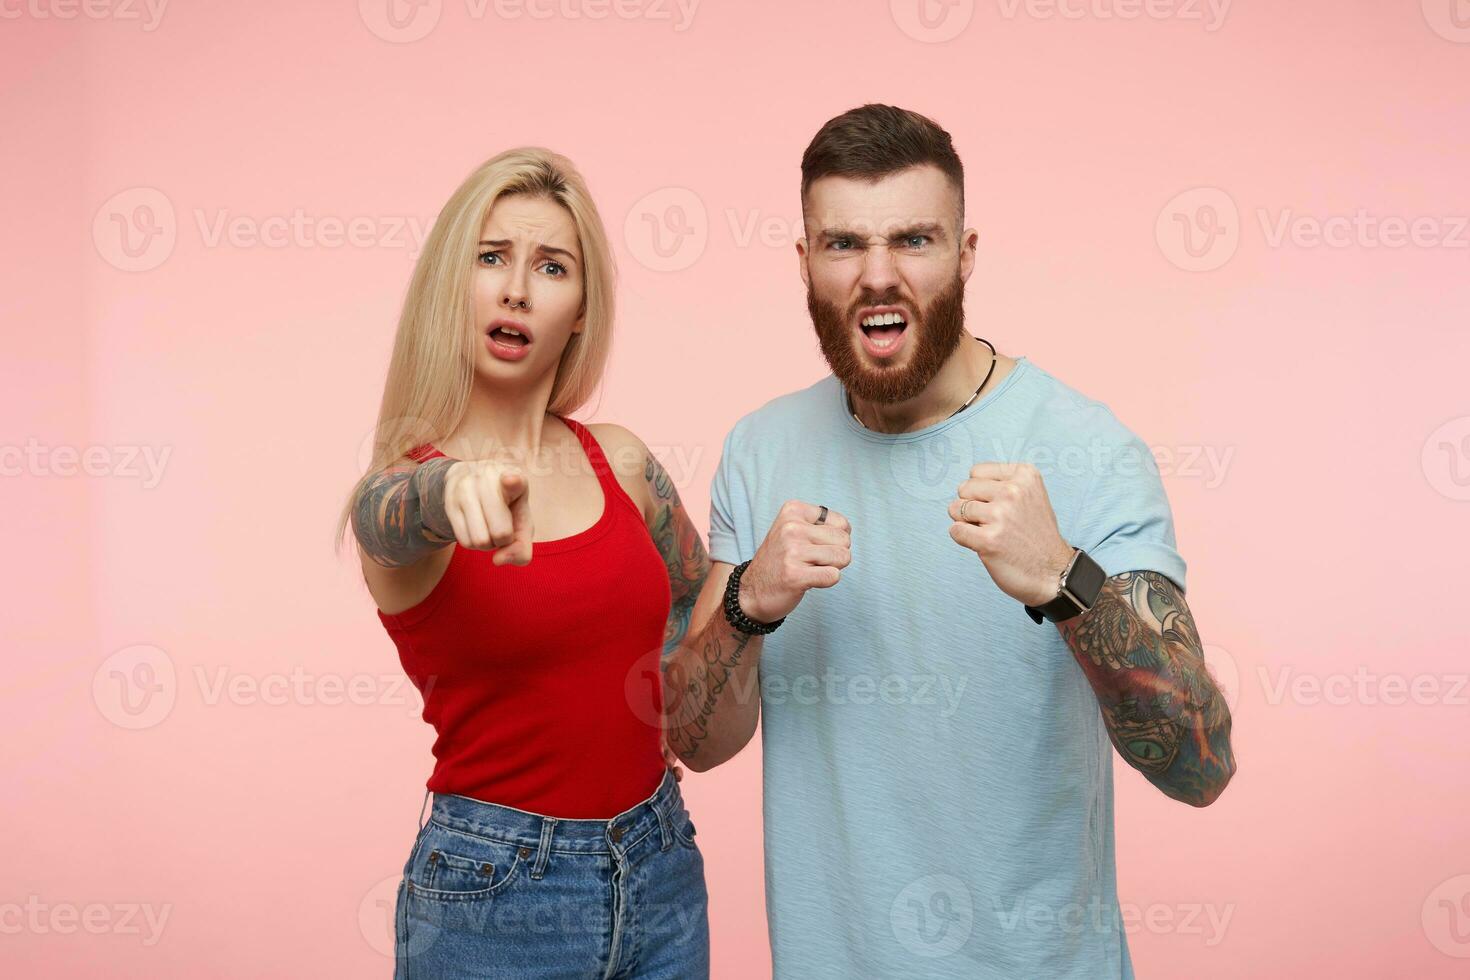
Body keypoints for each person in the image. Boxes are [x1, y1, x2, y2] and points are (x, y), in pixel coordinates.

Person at [662, 105, 1237, 979]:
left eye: (915, 240)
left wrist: (1064, 581)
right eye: (844, 243)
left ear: (966, 255)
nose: (878, 275)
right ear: (806, 262)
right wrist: (746, 605)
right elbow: (697, 745)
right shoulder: (760, 449)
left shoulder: (1084, 448)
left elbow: (1201, 764)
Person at [339, 147, 711, 979]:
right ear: (453, 285)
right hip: (495, 890)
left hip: (661, 864)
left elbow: (694, 600)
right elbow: (382, 518)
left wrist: (694, 678)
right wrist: (447, 492)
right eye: (491, 257)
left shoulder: (624, 464)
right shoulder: (405, 487)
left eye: (551, 266)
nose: (517, 288)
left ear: (579, 310)